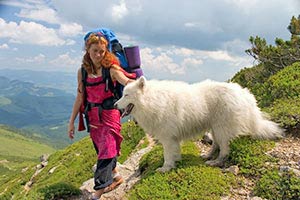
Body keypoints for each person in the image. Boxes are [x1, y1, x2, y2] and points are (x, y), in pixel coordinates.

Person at [67, 32, 134, 200]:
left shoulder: (111, 69)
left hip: (110, 115)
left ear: (106, 51)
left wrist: (138, 85)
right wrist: (71, 121)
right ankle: (116, 177)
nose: (98, 55)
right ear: (87, 50)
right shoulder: (82, 72)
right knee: (102, 149)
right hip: (92, 117)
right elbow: (80, 97)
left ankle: (96, 194)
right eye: (95, 50)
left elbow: (125, 81)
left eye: (102, 51)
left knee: (106, 152)